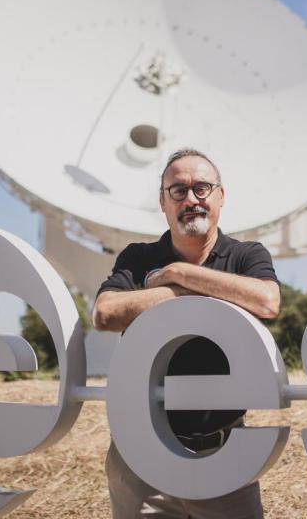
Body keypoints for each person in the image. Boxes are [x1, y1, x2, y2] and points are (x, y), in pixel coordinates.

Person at [93, 148, 281, 519]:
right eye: (178, 190)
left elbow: (267, 301)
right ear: (163, 201)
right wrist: (193, 292)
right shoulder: (138, 258)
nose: (191, 199)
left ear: (220, 196)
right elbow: (105, 313)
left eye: (202, 188)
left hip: (222, 456)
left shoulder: (246, 255)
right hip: (140, 457)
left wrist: (180, 274)